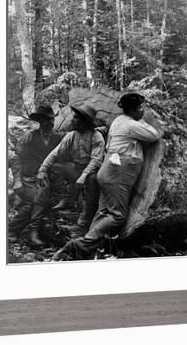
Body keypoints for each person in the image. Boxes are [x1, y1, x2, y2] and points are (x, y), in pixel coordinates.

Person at [52, 93, 161, 260]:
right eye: (140, 108)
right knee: (117, 216)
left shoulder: (118, 121)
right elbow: (154, 134)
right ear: (132, 110)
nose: (142, 111)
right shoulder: (131, 124)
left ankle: (85, 252)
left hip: (108, 170)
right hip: (118, 173)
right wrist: (143, 120)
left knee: (103, 213)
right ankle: (79, 245)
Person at [36, 102, 106, 233]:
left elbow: (96, 160)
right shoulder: (72, 135)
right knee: (54, 168)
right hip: (76, 168)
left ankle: (84, 222)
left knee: (92, 180)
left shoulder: (97, 137)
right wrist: (42, 169)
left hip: (92, 172)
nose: (73, 120)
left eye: (76, 118)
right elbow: (55, 153)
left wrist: (83, 176)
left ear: (85, 121)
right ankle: (66, 198)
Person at [8, 104, 63, 246]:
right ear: (39, 121)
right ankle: (29, 232)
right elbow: (16, 159)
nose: (49, 123)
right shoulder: (29, 136)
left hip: (45, 179)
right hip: (27, 179)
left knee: (35, 200)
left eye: (51, 119)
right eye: (45, 120)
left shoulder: (58, 138)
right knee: (36, 200)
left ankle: (14, 231)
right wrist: (17, 181)